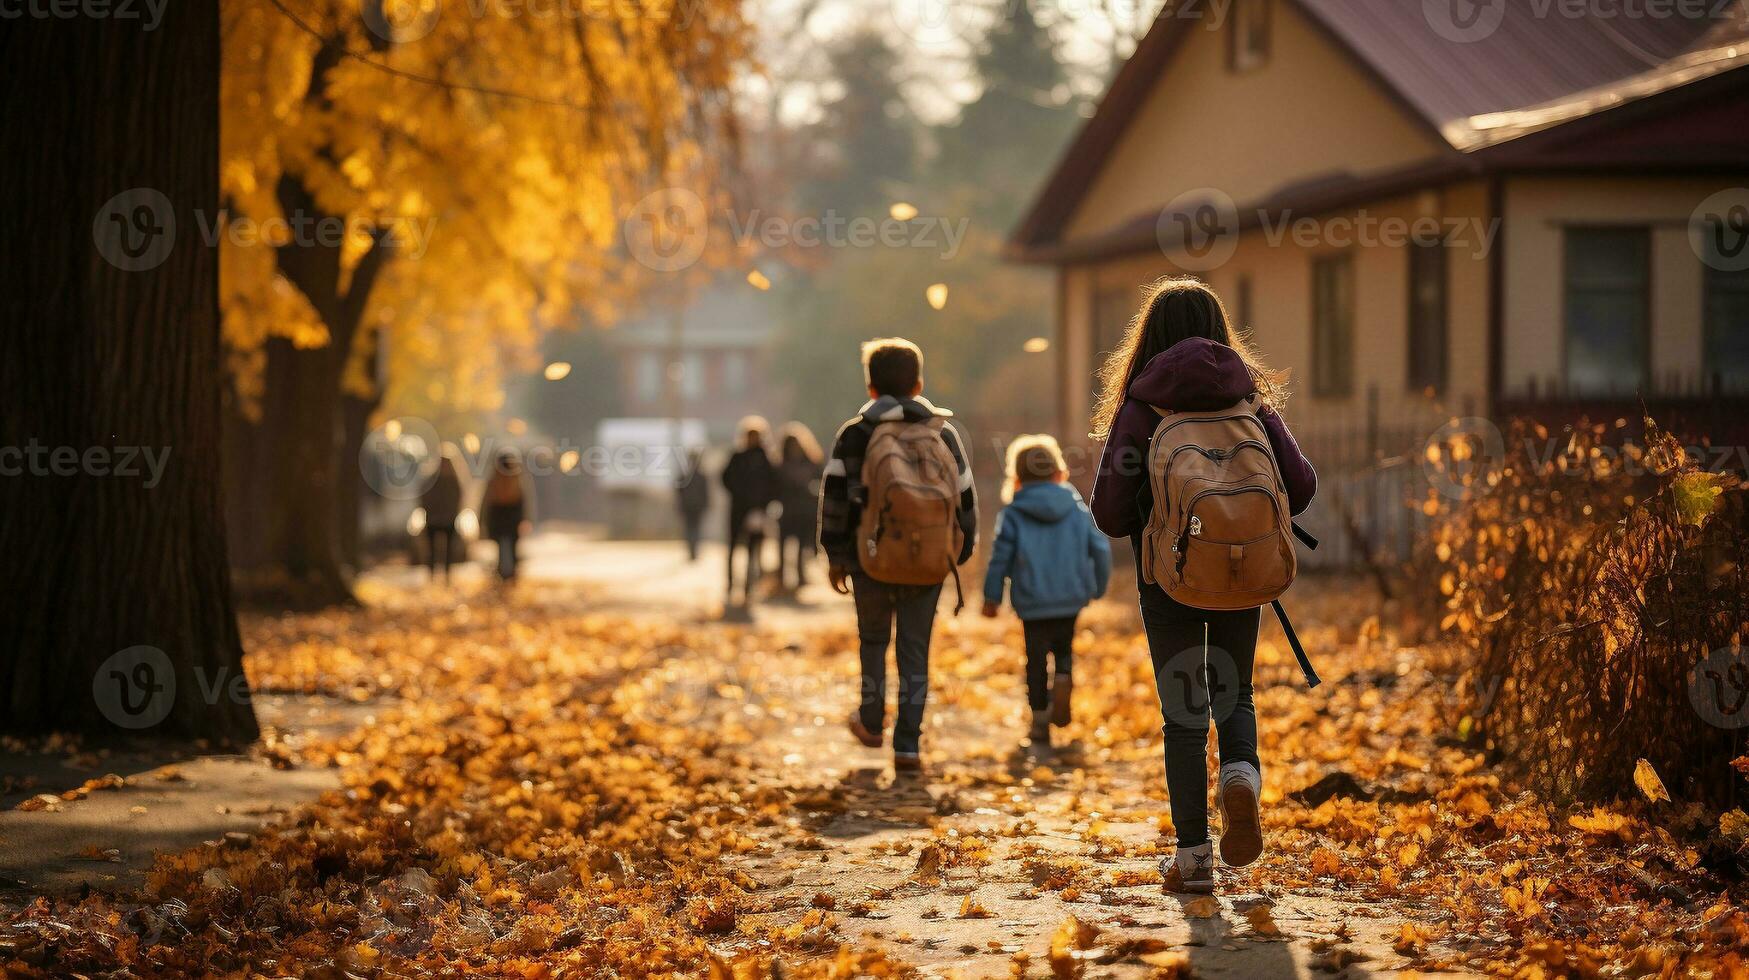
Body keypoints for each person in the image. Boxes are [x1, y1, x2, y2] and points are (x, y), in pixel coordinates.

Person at [1090, 277, 1316, 894]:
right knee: (1234, 688)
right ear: (1220, 331)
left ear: (1149, 337)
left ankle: (1193, 860)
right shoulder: (1250, 401)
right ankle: (1241, 773)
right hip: (1246, 571)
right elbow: (1302, 485)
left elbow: (1108, 513)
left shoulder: (1141, 407)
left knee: (1185, 710)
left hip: (1167, 576)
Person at [819, 337, 977, 772]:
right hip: (929, 562)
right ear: (919, 383)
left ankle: (871, 723)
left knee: (873, 642)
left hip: (870, 559)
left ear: (871, 387)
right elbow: (964, 497)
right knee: (914, 651)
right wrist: (958, 552)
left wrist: (836, 555)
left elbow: (834, 498)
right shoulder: (942, 432)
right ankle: (908, 745)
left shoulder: (855, 433)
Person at [980, 434, 1111, 748]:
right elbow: (1100, 548)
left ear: (1018, 476)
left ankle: (1039, 725)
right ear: (1058, 471)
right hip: (1070, 597)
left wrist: (991, 596)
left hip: (1032, 600)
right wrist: (1097, 585)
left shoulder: (1012, 513)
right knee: (1064, 648)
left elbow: (1000, 558)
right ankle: (1064, 677)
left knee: (1035, 660)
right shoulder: (1076, 506)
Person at [720, 417, 777, 606]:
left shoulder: (766, 460)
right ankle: (731, 585)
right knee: (733, 549)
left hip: (757, 512)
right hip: (738, 510)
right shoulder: (738, 457)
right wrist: (741, 495)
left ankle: (748, 586)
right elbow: (726, 479)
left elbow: (773, 486)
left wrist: (761, 505)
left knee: (753, 552)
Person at [775, 423, 824, 592]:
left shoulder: (811, 462)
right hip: (787, 510)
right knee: (783, 546)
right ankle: (781, 577)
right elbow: (775, 487)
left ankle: (800, 576)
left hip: (804, 510)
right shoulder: (780, 465)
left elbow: (821, 483)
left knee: (802, 547)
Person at [482, 449, 532, 581]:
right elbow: (524, 500)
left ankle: (503, 574)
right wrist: (526, 518)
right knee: (512, 547)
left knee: (501, 547)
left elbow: (486, 500)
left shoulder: (494, 478)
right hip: (513, 516)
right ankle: (511, 574)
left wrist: (483, 519)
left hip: (498, 515)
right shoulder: (517, 477)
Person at [422, 453, 464, 583]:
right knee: (433, 550)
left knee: (447, 551)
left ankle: (445, 576)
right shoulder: (435, 480)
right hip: (436, 519)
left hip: (446, 519)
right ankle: (433, 575)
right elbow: (425, 498)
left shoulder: (452, 480)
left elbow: (458, 498)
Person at [675, 447, 710, 562]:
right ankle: (693, 551)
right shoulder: (701, 476)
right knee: (694, 529)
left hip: (689, 506)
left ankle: (692, 551)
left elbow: (678, 492)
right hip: (695, 506)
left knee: (690, 529)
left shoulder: (684, 476)